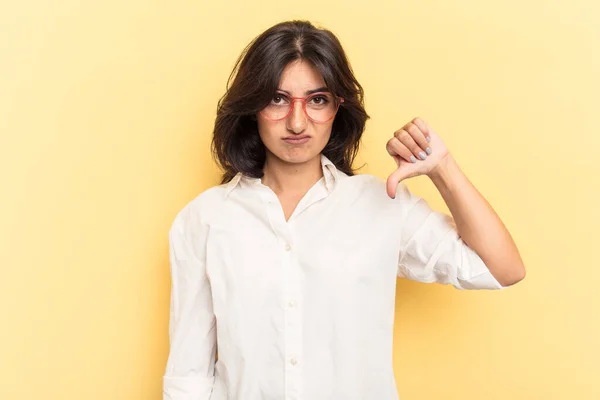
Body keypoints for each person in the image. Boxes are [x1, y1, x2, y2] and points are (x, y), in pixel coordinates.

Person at [162, 20, 525, 400]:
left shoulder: (381, 206)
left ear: (338, 107)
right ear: (252, 107)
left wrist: (442, 168)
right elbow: (188, 375)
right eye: (278, 99)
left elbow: (502, 269)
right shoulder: (203, 220)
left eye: (317, 100)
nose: (297, 122)